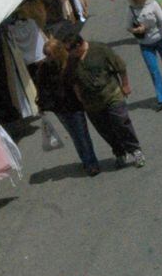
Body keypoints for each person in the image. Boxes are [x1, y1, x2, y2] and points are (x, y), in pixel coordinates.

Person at [66, 33, 145, 167]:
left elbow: (120, 66)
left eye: (70, 50)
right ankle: (119, 152)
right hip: (91, 104)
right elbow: (73, 80)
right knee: (105, 130)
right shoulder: (72, 60)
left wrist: (125, 85)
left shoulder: (99, 49)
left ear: (78, 46)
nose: (68, 53)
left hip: (111, 94)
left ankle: (135, 150)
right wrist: (79, 97)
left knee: (121, 122)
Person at [34, 38, 101, 176]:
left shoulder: (71, 63)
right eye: (45, 54)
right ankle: (86, 159)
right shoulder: (44, 68)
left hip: (74, 105)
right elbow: (41, 88)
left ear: (58, 52)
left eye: (49, 54)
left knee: (82, 134)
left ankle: (91, 163)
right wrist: (42, 104)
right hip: (59, 108)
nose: (47, 58)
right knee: (75, 135)